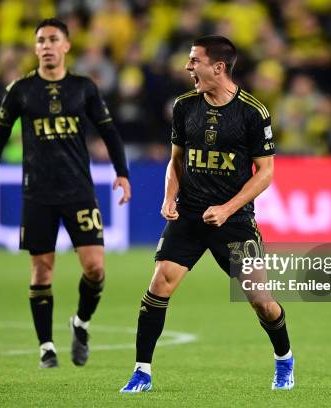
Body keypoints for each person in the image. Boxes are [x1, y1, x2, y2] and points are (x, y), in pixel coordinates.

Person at [120, 35, 294, 392]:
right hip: (189, 215)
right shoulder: (185, 106)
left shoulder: (252, 112)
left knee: (261, 302)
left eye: (194, 61)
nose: (188, 67)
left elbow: (266, 172)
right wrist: (170, 197)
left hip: (235, 221)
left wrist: (228, 208)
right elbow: (176, 161)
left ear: (218, 67)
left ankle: (284, 359)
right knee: (159, 283)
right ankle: (142, 372)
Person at [0, 18, 131, 369]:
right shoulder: (20, 90)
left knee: (95, 268)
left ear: (66, 46)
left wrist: (122, 172)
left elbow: (109, 132)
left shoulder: (84, 88)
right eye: (40, 40)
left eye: (53, 39)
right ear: (35, 48)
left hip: (79, 192)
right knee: (42, 270)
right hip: (38, 194)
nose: (46, 45)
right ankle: (46, 346)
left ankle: (80, 323)